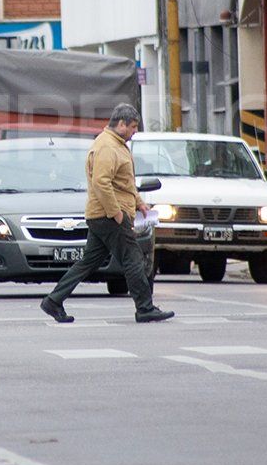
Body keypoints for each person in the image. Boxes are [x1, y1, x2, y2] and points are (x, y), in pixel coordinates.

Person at [40, 104, 174, 324]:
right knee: (133, 260)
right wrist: (116, 213)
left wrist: (139, 202)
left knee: (88, 262)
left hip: (104, 214)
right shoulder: (107, 147)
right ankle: (145, 308)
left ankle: (53, 301)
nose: (135, 131)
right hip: (109, 215)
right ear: (120, 124)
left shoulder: (117, 144)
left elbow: (124, 183)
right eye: (132, 126)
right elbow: (101, 183)